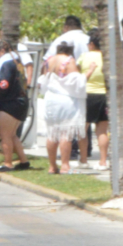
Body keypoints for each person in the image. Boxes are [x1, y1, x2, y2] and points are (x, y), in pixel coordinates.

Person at [0, 40, 31, 172]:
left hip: (11, 104)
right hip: (21, 102)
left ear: (1, 51)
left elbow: (3, 85)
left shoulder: (7, 63)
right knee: (12, 135)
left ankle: (8, 163)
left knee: (5, 135)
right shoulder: (17, 61)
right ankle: (24, 161)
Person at [41, 41, 86, 174]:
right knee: (65, 132)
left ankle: (52, 166)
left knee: (52, 132)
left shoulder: (49, 60)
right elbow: (76, 82)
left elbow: (44, 79)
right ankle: (65, 165)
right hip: (65, 99)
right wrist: (88, 73)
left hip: (51, 98)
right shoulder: (69, 60)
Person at [78, 29, 110, 170]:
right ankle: (103, 161)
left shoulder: (84, 56)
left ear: (91, 44)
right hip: (104, 96)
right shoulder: (106, 57)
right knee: (102, 131)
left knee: (83, 130)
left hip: (86, 95)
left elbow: (78, 75)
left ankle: (84, 160)